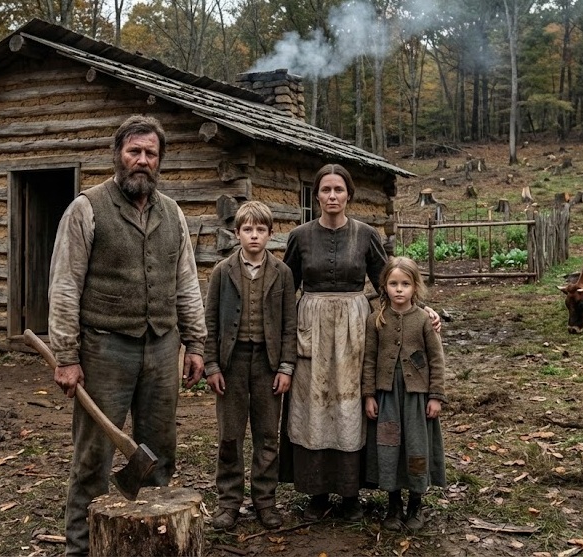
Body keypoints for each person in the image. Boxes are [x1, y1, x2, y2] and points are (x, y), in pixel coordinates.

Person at [48, 115, 207, 557]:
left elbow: (187, 283)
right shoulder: (87, 208)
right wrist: (66, 354)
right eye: (134, 151)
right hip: (104, 350)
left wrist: (195, 343)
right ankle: (80, 548)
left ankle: (153, 542)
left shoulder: (172, 213)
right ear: (118, 154)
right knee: (92, 460)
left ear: (160, 161)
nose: (142, 160)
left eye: (150, 154)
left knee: (159, 453)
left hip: (161, 349)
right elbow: (64, 285)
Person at [281, 163, 439, 522]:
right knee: (313, 407)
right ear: (316, 195)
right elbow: (284, 288)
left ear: (349, 195)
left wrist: (424, 312)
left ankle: (351, 494)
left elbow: (390, 283)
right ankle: (317, 493)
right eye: (325, 190)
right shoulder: (300, 236)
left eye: (339, 190)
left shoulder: (366, 234)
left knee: (351, 405)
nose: (332, 196)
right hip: (312, 328)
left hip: (354, 327)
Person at [203, 201, 297, 531]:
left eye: (260, 230)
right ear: (236, 234)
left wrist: (286, 367)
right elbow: (210, 322)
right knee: (230, 435)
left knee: (267, 436)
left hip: (268, 365)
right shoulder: (221, 272)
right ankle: (228, 502)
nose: (254, 236)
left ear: (271, 234)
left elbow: (289, 324)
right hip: (232, 362)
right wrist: (212, 365)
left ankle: (265, 501)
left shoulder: (283, 273)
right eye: (247, 229)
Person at [362, 256, 447, 532]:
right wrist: (369, 395)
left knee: (415, 445)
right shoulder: (376, 320)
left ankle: (416, 504)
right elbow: (369, 360)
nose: (399, 289)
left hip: (416, 398)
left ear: (415, 287)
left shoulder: (424, 320)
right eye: (393, 284)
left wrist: (435, 395)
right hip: (387, 397)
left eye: (405, 284)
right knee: (389, 446)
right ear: (384, 286)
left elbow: (436, 359)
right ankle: (393, 504)